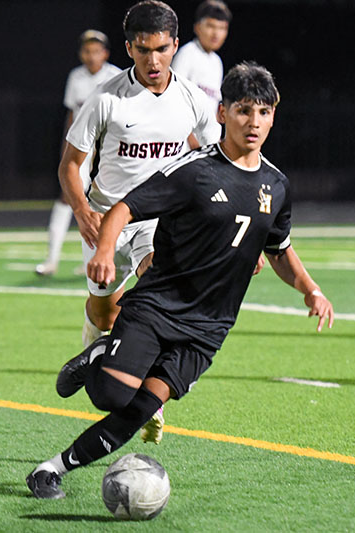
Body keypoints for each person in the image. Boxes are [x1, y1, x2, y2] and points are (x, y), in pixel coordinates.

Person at [26, 61, 334, 499]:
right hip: (158, 306)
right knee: (112, 395)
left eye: (264, 112)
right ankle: (99, 354)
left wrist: (311, 289)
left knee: (140, 409)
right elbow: (124, 208)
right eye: (244, 110)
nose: (254, 122)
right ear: (223, 113)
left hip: (208, 328)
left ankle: (50, 470)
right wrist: (103, 254)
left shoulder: (277, 185)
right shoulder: (194, 171)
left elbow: (279, 248)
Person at [59, 0, 221, 351]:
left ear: (175, 46)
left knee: (160, 291)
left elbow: (220, 161)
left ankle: (149, 388)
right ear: (130, 48)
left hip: (157, 219)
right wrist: (82, 211)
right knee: (105, 315)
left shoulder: (192, 99)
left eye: (162, 49)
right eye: (144, 50)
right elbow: (70, 164)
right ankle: (94, 334)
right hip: (106, 218)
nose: (154, 61)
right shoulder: (106, 99)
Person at [35, 30, 121, 277]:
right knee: (67, 197)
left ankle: (100, 258)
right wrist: (67, 148)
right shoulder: (76, 77)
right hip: (82, 147)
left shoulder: (115, 77)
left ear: (105, 53)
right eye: (87, 50)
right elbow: (72, 115)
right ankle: (51, 261)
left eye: (96, 50)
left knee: (105, 201)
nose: (92, 55)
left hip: (107, 150)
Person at [171, 0, 231, 108]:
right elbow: (173, 96)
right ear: (197, 27)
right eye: (211, 26)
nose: (216, 33)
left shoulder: (217, 62)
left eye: (222, 28)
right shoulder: (187, 54)